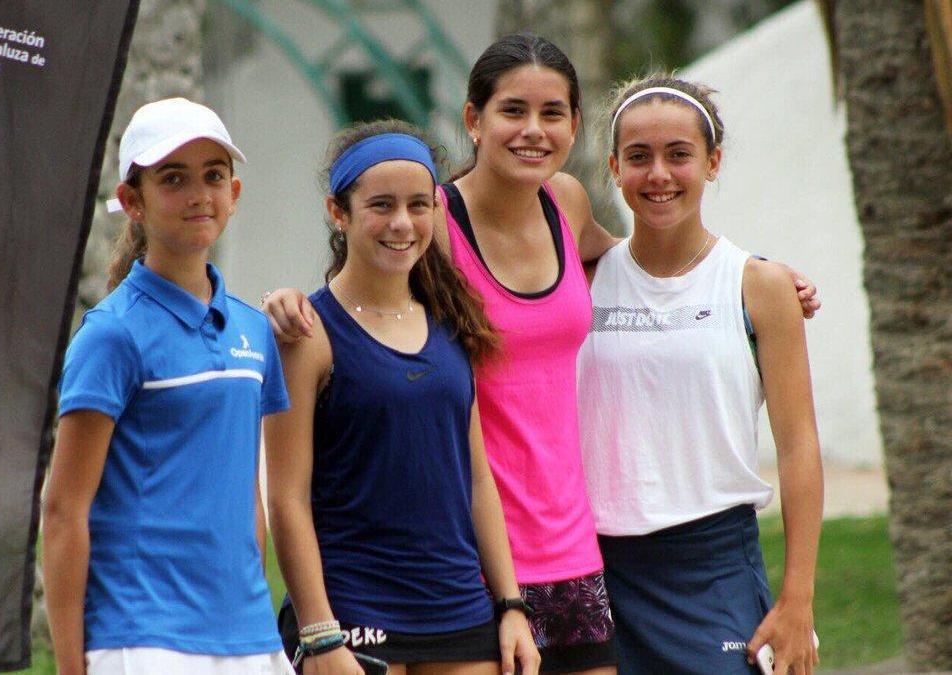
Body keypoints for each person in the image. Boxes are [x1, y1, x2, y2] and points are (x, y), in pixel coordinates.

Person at [264, 35, 820, 675]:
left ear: (575, 126)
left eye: (552, 112)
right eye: (512, 111)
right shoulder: (430, 217)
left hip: (576, 551)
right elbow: (359, 284)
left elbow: (641, 266)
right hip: (469, 557)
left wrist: (759, 280)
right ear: (473, 120)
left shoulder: (567, 203)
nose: (533, 130)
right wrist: (281, 300)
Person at [265, 120, 541, 675]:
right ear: (338, 213)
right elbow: (285, 498)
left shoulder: (450, 322)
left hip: (459, 611)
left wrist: (510, 605)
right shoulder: (307, 334)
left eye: (419, 205)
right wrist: (319, 634)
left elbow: (477, 476)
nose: (401, 223)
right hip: (353, 616)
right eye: (381, 205)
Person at [578, 75, 823, 675]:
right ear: (613, 167)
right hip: (595, 569)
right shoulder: (580, 277)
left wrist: (798, 599)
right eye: (638, 157)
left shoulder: (759, 285)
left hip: (713, 567)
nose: (658, 174)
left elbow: (798, 447)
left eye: (679, 154)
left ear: (712, 163)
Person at [41, 98, 293, 675]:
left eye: (213, 176)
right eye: (173, 179)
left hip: (250, 640)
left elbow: (245, 491)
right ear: (132, 201)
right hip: (142, 639)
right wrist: (71, 666)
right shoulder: (111, 335)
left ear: (235, 193)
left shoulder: (255, 331)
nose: (199, 195)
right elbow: (63, 511)